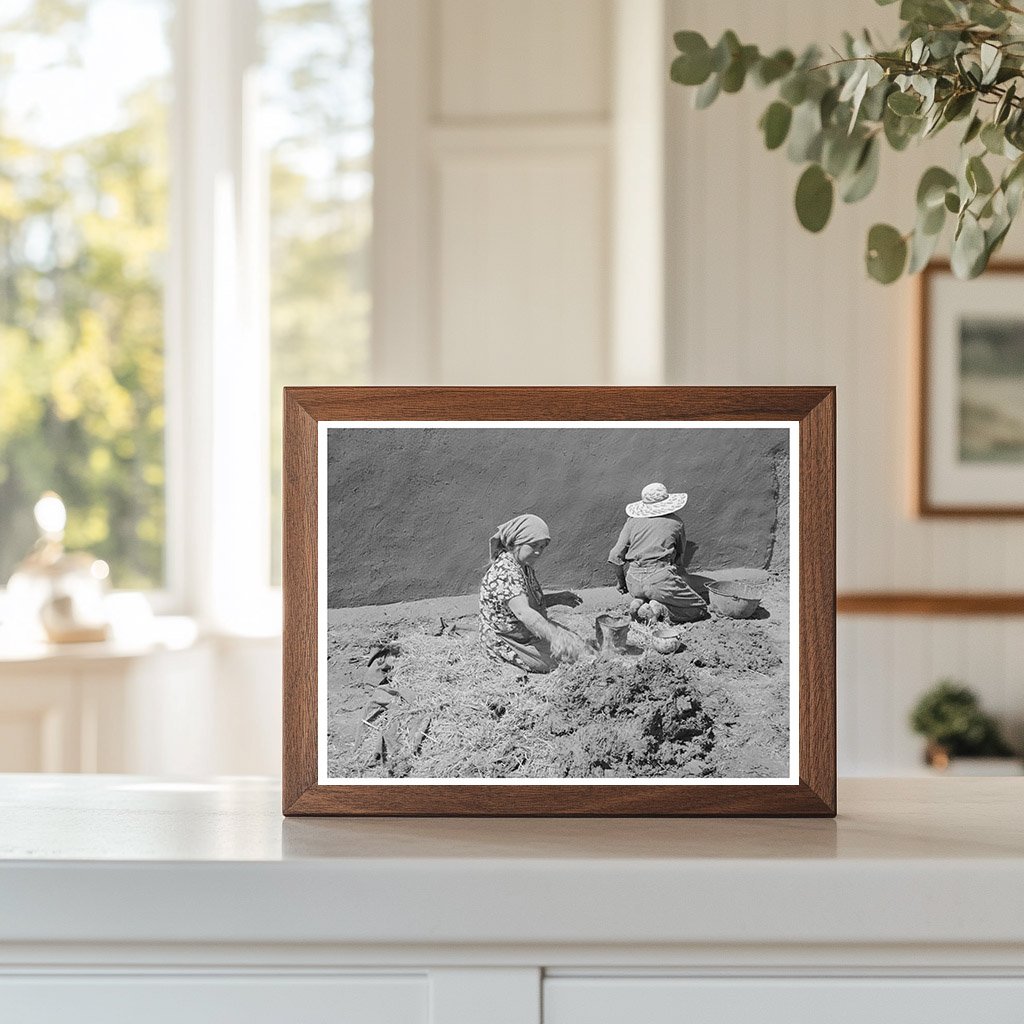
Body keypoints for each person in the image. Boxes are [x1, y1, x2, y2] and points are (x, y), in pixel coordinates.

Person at [480, 514, 585, 673]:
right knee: (562, 659)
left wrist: (557, 598)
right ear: (516, 543)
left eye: (542, 547)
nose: (538, 552)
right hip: (508, 640)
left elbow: (528, 601)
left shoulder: (523, 565)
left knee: (576, 645)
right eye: (533, 545)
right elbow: (524, 612)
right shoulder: (506, 572)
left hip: (525, 633)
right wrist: (555, 635)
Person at [608, 482, 708, 624]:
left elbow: (614, 556)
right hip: (659, 578)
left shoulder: (631, 522)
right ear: (667, 502)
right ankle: (659, 608)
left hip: (633, 581)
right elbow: (679, 559)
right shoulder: (676, 523)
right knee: (700, 609)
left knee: (648, 590)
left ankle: (639, 601)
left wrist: (621, 582)